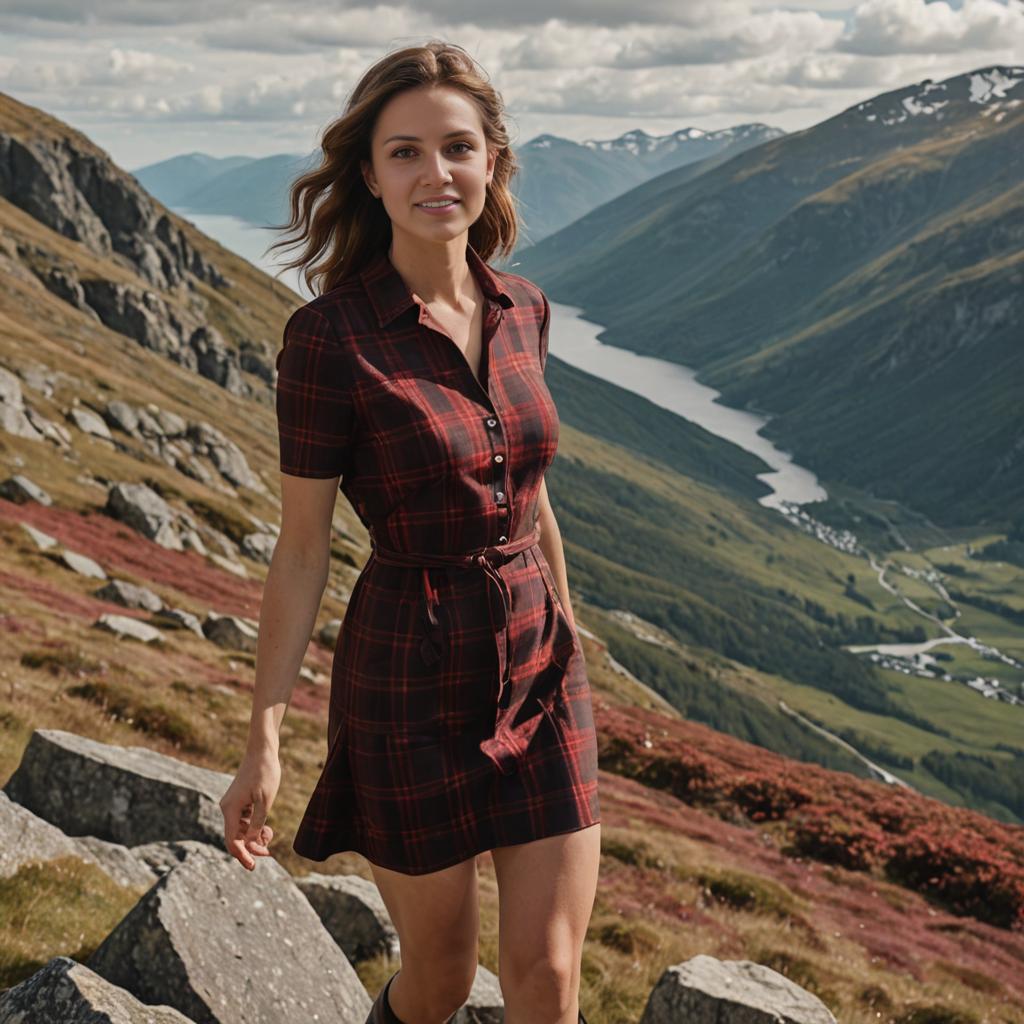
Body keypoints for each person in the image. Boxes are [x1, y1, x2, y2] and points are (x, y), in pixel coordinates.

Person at [219, 40, 601, 1024]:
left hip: (538, 663)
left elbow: (532, 487)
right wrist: (264, 736)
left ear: (491, 163)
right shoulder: (329, 341)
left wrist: (563, 619)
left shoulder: (526, 310)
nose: (437, 172)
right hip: (406, 677)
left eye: (458, 147)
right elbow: (302, 547)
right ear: (369, 175)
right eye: (405, 152)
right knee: (438, 978)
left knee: (549, 976)